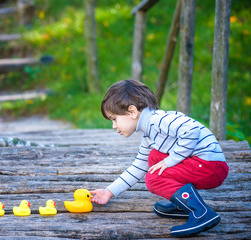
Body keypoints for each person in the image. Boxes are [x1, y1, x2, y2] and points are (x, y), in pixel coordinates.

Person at [90, 79, 229, 237]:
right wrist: (109, 192)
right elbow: (138, 167)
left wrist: (170, 160)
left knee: (153, 178)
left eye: (114, 119)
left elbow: (191, 131)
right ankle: (184, 205)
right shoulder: (149, 136)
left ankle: (201, 213)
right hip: (204, 166)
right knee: (154, 157)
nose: (114, 126)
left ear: (132, 112)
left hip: (210, 166)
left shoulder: (159, 121)